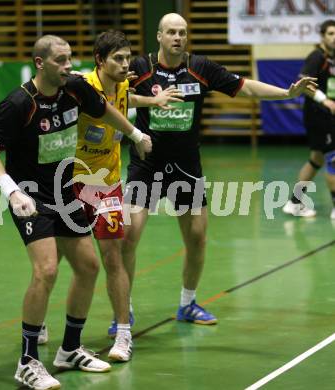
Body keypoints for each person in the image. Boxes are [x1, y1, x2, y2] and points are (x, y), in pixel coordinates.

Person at [0, 35, 151, 390]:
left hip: (65, 191)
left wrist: (134, 133)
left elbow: (103, 110)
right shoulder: (18, 104)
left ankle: (70, 349)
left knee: (88, 267)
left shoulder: (74, 89)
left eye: (70, 58)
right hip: (30, 196)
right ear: (41, 64)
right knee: (47, 269)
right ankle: (27, 361)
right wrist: (11, 192)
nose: (69, 66)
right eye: (60, 60)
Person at [121, 13, 317, 326]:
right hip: (147, 164)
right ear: (158, 36)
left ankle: (188, 304)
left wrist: (286, 93)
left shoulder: (200, 68)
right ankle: (123, 310)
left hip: (186, 165)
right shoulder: (141, 69)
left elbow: (245, 87)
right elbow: (114, 96)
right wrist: (149, 102)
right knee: (128, 236)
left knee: (197, 238)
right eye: (171, 32)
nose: (177, 37)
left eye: (182, 32)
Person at [72, 30, 182, 361]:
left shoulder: (121, 85)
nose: (125, 64)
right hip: (68, 183)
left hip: (105, 183)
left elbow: (124, 101)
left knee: (113, 255)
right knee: (62, 258)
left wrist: (152, 100)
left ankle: (123, 332)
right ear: (99, 60)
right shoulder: (80, 87)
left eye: (127, 57)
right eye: (117, 59)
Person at [283, 19, 335, 218]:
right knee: (332, 157)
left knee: (317, 159)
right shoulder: (316, 57)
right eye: (330, 33)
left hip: (328, 116)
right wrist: (324, 100)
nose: (334, 37)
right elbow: (303, 84)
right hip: (317, 116)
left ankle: (294, 203)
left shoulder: (332, 58)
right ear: (322, 36)